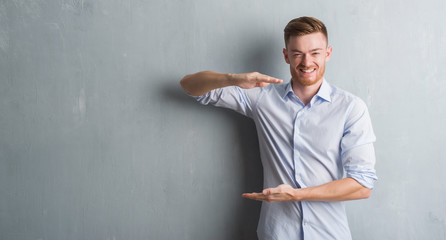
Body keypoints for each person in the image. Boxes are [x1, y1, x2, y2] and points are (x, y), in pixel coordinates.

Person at [180, 16, 377, 240]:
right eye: (297, 54)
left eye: (315, 53)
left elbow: (362, 185)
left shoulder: (351, 108)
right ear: (286, 56)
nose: (306, 62)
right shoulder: (262, 98)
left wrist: (296, 195)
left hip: (330, 234)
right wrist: (234, 78)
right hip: (276, 234)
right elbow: (189, 86)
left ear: (328, 53)